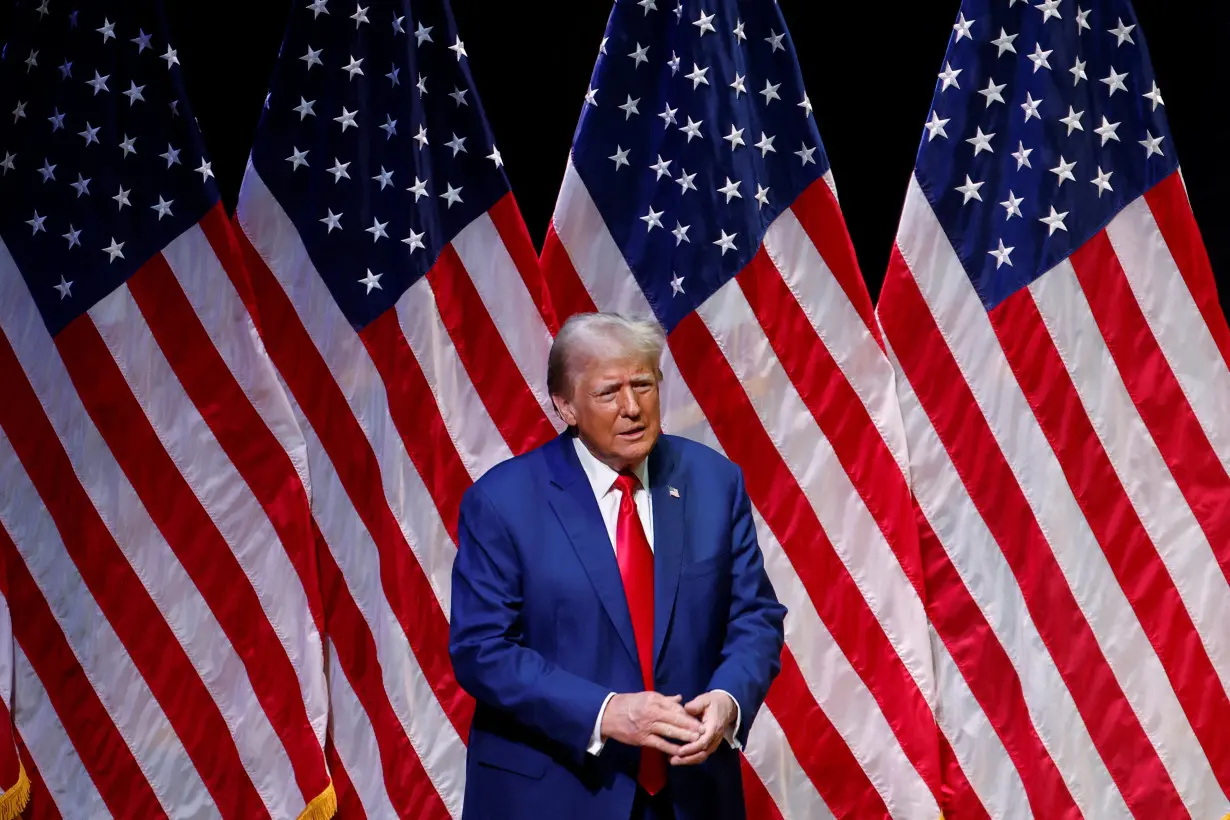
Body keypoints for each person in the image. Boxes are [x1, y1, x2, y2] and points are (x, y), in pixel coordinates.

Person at [449, 312, 787, 820]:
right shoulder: (502, 503)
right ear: (566, 405)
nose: (632, 408)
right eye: (609, 393)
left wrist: (728, 698)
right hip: (556, 794)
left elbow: (755, 617)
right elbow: (482, 650)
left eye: (644, 385)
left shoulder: (714, 482)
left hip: (689, 793)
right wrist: (604, 712)